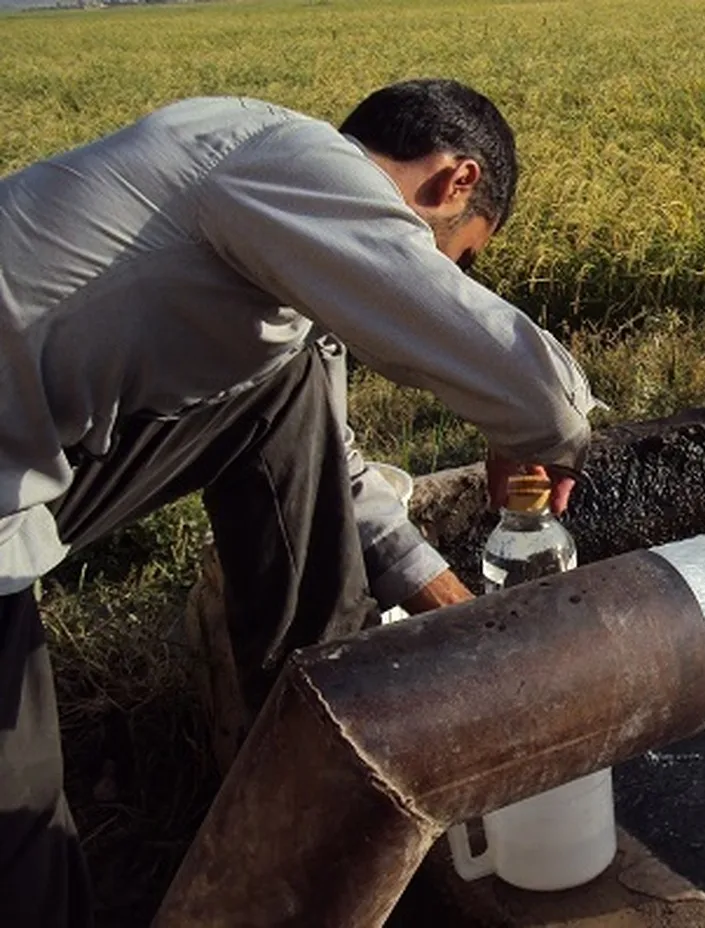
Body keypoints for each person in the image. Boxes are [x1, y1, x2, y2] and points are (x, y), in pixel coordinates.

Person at [0, 78, 597, 927]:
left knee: (280, 392)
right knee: (19, 829)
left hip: (27, 462)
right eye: (458, 258)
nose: (440, 273)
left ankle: (325, 743)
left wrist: (453, 611)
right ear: (455, 182)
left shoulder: (275, 221)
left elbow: (323, 461)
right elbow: (543, 401)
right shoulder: (294, 163)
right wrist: (527, 431)